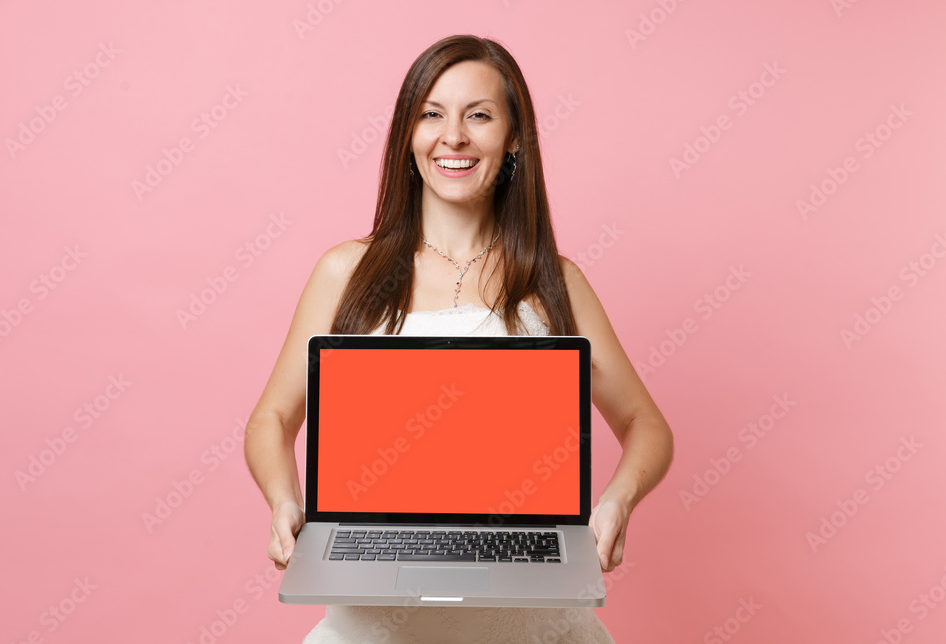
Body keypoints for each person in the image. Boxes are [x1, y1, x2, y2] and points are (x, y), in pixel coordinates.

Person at [244, 34, 674, 643]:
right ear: (407, 136)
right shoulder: (346, 272)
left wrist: (616, 503)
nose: (454, 138)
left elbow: (647, 425)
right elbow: (272, 418)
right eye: (431, 115)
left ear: (515, 137)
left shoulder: (554, 282)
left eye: (479, 116)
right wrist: (285, 501)